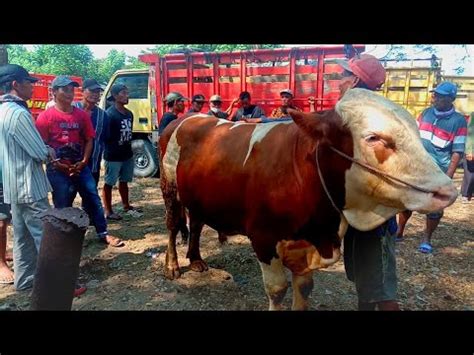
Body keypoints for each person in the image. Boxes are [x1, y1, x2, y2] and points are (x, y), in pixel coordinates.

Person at [334, 54, 400, 310]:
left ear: (354, 82)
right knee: (366, 282)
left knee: (382, 289)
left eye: (343, 76)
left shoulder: (373, 120)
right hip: (360, 213)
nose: (338, 81)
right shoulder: (360, 114)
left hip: (376, 217)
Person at [35, 76, 124, 250]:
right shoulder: (45, 117)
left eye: (71, 89)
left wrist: (83, 161)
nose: (69, 93)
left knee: (92, 198)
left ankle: (103, 233)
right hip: (58, 170)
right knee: (62, 203)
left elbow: (90, 140)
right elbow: (42, 145)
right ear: (53, 92)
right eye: (65, 89)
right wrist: (57, 164)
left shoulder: (81, 115)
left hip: (81, 167)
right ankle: (64, 238)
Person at [397, 81, 467, 253]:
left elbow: (457, 152)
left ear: (450, 99)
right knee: (407, 201)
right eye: (435, 95)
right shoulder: (426, 113)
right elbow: (413, 136)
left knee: (435, 207)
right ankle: (399, 231)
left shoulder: (458, 122)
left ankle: (426, 238)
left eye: (441, 96)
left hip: (438, 172)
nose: (435, 98)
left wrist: (447, 178)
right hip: (417, 167)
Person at [0, 64, 52, 291]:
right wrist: (49, 151)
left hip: (14, 186)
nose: (33, 86)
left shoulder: (2, 111)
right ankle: (56, 284)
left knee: (22, 239)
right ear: (15, 85)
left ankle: (24, 280)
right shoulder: (19, 114)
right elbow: (39, 153)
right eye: (28, 82)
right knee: (45, 236)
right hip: (30, 186)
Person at [102, 84, 142, 220]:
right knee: (109, 183)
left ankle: (126, 205)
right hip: (113, 156)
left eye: (127, 93)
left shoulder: (129, 114)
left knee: (124, 181)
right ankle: (108, 210)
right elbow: (105, 136)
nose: (127, 96)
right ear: (115, 96)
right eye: (123, 93)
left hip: (127, 154)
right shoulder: (110, 114)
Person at [74, 78, 109, 185]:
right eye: (92, 91)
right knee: (67, 198)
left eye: (98, 92)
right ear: (82, 91)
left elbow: (104, 139)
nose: (95, 94)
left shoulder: (103, 115)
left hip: (93, 165)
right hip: (72, 164)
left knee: (91, 198)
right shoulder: (72, 110)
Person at [0, 159, 13, 284]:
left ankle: (3, 253)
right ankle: (1, 264)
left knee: (8, 220)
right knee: (1, 223)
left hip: (9, 177)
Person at [460, 112, 474, 203]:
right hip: (472, 150)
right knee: (470, 173)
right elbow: (470, 134)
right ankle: (465, 194)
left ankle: (472, 193)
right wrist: (469, 151)